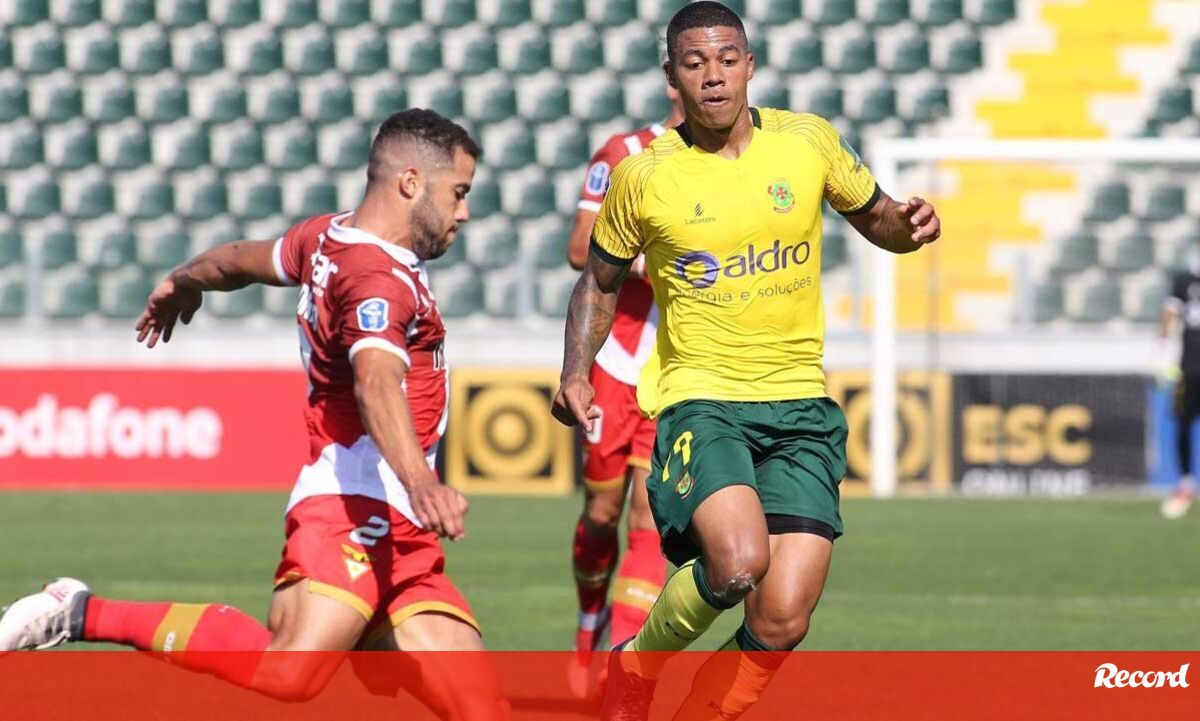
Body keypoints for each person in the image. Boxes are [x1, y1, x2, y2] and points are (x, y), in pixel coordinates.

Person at [0, 109, 507, 720]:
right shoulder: (378, 280)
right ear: (410, 182)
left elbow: (242, 260)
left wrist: (186, 278)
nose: (463, 213)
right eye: (458, 192)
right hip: (355, 505)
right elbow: (376, 383)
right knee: (288, 672)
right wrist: (423, 483)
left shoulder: (328, 237)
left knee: (482, 711)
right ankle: (79, 612)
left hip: (403, 529)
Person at [550, 3, 942, 719]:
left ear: (750, 65)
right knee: (736, 564)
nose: (714, 76)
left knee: (783, 618)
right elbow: (598, 280)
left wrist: (909, 227)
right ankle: (635, 664)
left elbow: (878, 217)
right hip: (703, 398)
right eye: (695, 63)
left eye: (727, 59)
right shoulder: (643, 176)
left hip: (800, 403)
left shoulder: (807, 142)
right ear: (672, 76)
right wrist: (576, 369)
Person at [565, 87, 685, 698]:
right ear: (672, 80)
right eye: (694, 66)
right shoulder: (624, 152)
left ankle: (621, 661)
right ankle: (590, 619)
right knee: (601, 514)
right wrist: (660, 261)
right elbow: (579, 247)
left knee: (647, 518)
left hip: (679, 372)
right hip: (615, 366)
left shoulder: (730, 165)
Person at [1159, 250, 1199, 519]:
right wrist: (1161, 354)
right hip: (1190, 368)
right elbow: (1169, 315)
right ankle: (1185, 484)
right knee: (1183, 423)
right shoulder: (1183, 280)